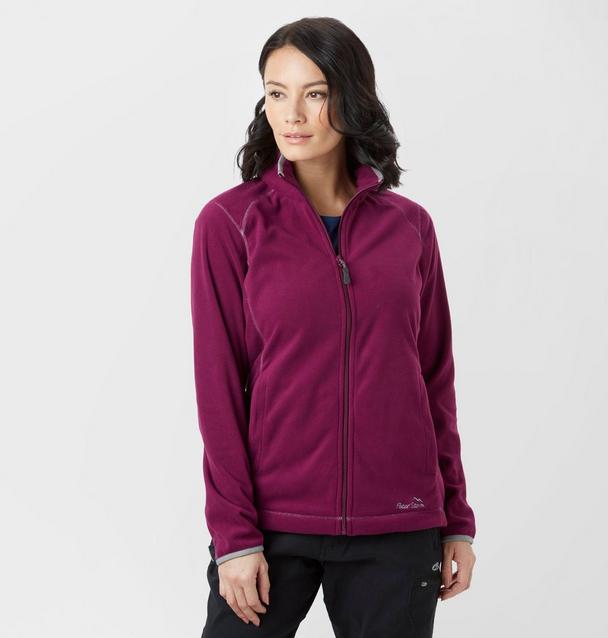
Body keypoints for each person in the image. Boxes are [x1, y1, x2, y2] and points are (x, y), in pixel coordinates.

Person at [190, 16, 477, 638]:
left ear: (352, 98)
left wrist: (455, 515)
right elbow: (218, 390)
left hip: (398, 523)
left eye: (315, 93)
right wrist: (234, 536)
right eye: (276, 93)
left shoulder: (410, 227)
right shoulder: (231, 223)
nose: (292, 114)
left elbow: (434, 380)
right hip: (272, 524)